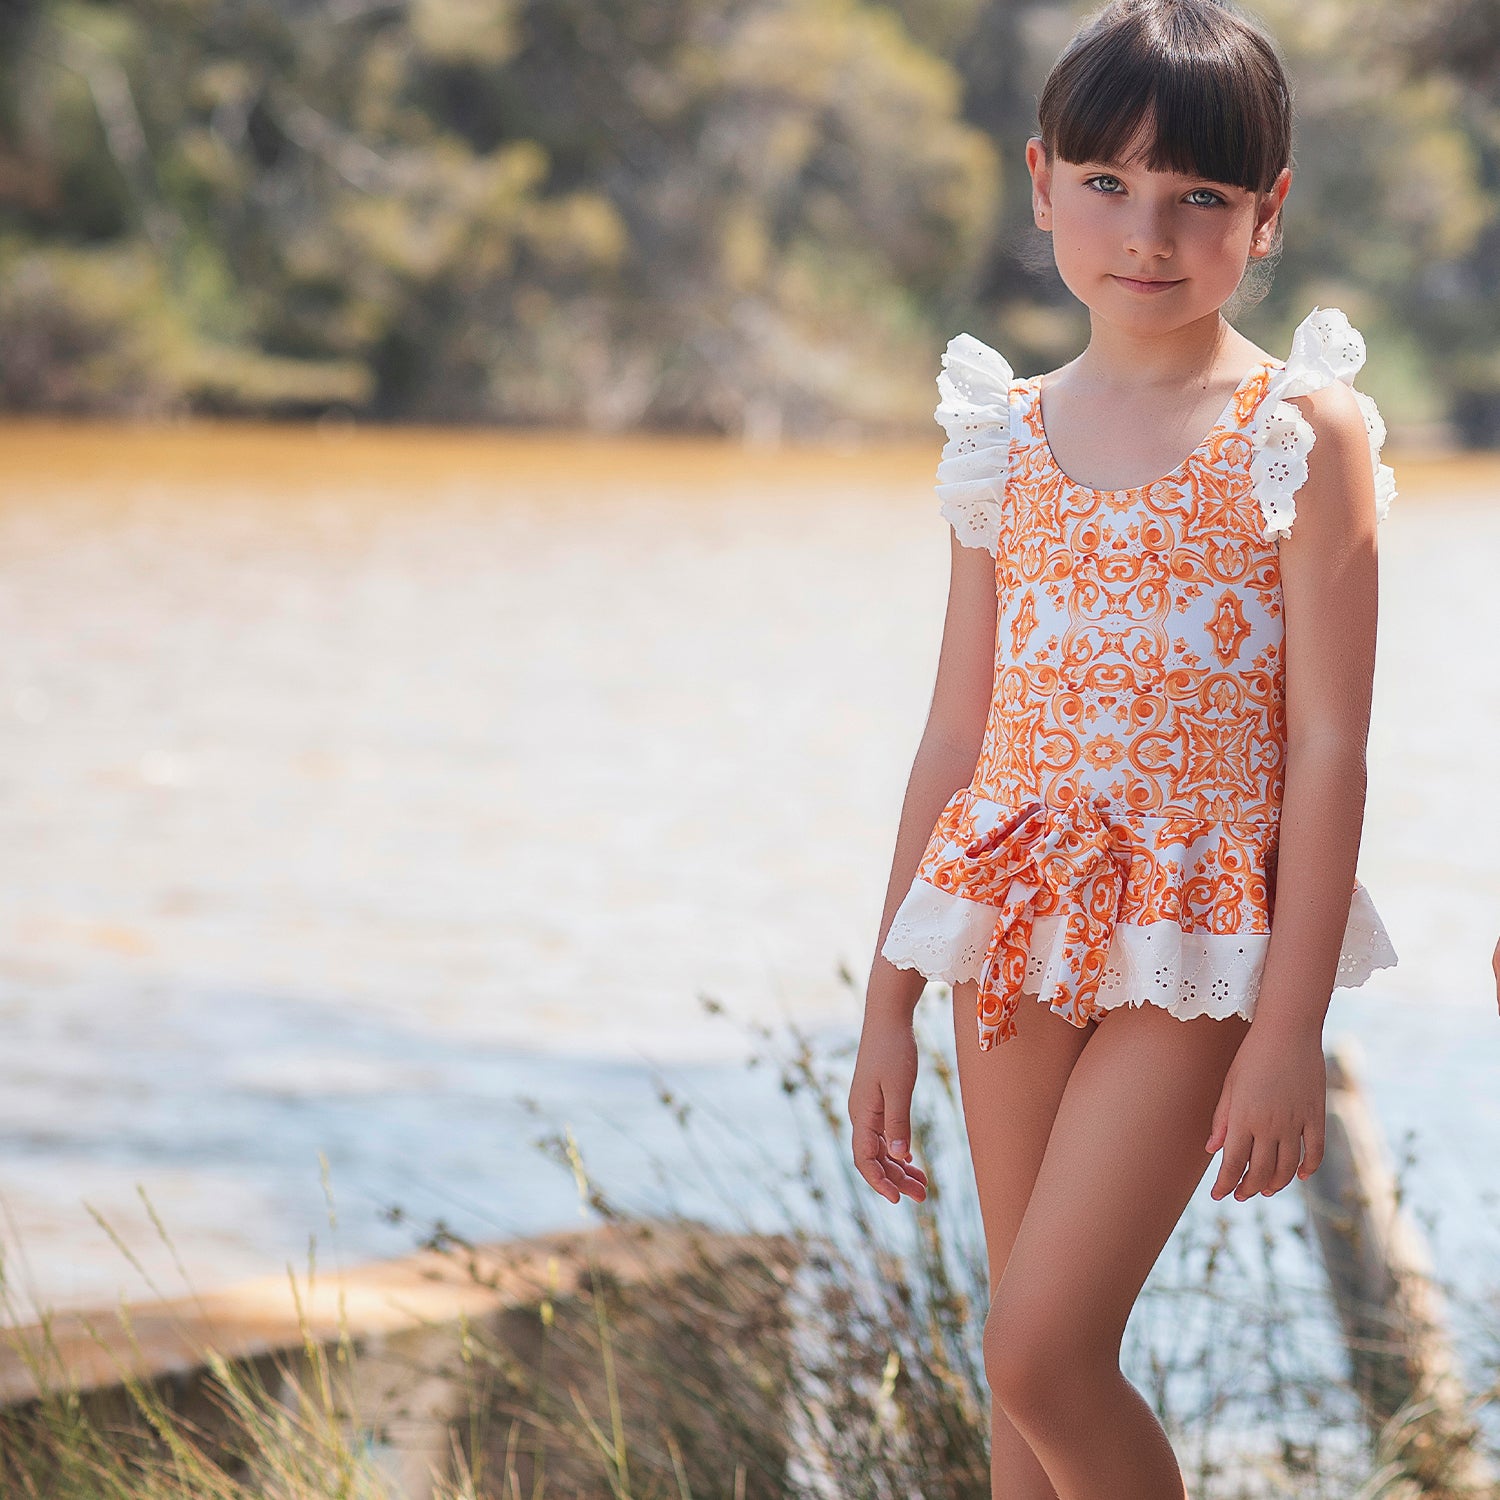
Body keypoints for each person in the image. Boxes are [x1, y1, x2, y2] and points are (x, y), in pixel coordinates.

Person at [846, 1, 1400, 1494]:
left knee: (1043, 1350)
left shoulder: (1301, 429)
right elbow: (959, 729)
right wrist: (886, 1001)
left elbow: (1334, 749)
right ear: (1042, 185)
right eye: (1107, 186)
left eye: (1197, 198)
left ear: (1264, 215)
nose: (1145, 232)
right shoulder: (1002, 433)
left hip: (1201, 927)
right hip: (1010, 912)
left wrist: (1288, 1031)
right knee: (1014, 1401)